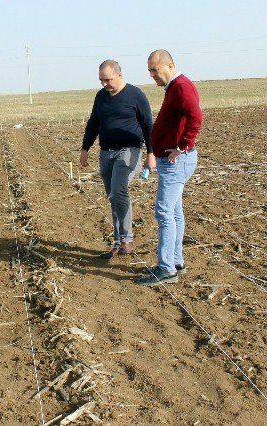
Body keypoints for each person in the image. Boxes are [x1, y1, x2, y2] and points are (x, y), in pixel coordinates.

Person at [135, 50, 202, 286]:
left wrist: (182, 146)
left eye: (155, 69)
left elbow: (196, 117)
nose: (152, 74)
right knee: (174, 212)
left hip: (176, 161)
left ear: (170, 65)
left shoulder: (181, 86)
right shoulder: (175, 87)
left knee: (163, 212)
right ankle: (176, 261)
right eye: (150, 70)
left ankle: (166, 269)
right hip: (171, 160)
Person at [80, 59, 155, 259]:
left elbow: (148, 125)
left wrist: (151, 153)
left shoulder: (135, 95)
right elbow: (93, 123)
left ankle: (127, 239)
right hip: (106, 153)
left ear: (119, 75)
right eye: (101, 80)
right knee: (113, 196)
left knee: (119, 190)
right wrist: (85, 148)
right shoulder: (101, 96)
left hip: (130, 150)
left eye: (107, 79)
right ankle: (118, 242)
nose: (104, 84)